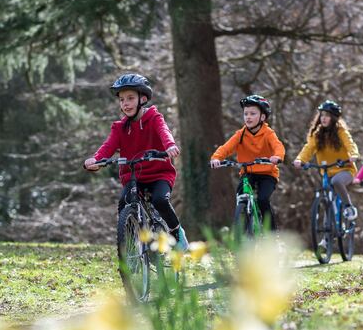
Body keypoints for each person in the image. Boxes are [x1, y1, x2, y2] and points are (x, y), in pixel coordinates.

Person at [83, 73, 187, 250]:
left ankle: (177, 232)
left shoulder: (154, 117)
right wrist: (96, 160)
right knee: (124, 202)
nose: (125, 103)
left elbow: (164, 132)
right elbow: (108, 147)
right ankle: (132, 246)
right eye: (122, 99)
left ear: (143, 98)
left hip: (159, 174)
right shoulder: (119, 127)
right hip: (133, 177)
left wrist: (169, 146)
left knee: (160, 200)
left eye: (130, 98)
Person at [209, 95, 286, 230]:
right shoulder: (240, 134)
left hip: (267, 173)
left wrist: (277, 156)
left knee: (262, 199)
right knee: (241, 196)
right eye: (246, 114)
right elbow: (226, 148)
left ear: (262, 117)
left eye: (252, 113)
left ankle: (273, 236)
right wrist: (216, 158)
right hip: (248, 173)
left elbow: (278, 146)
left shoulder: (268, 133)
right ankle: (243, 229)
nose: (248, 117)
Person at [292, 100, 360, 221]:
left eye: (327, 115)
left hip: (345, 169)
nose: (323, 118)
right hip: (327, 171)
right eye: (322, 115)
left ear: (333, 118)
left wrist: (354, 155)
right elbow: (308, 148)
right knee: (327, 200)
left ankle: (349, 207)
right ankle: (327, 235)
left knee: (336, 181)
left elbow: (350, 143)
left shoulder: (341, 131)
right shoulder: (317, 134)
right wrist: (300, 159)